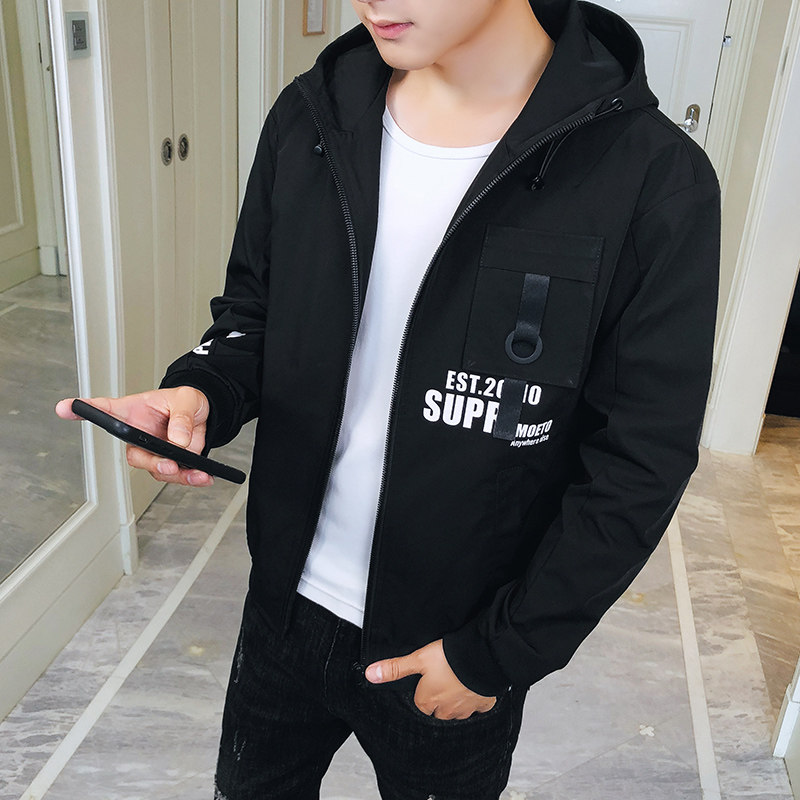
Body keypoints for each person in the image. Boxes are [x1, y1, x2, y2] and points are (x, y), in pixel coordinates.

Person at [57, 0, 720, 797]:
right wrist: (200, 390)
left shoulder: (652, 177)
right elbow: (255, 313)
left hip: (453, 640)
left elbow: (640, 457)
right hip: (283, 605)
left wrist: (499, 652)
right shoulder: (314, 115)